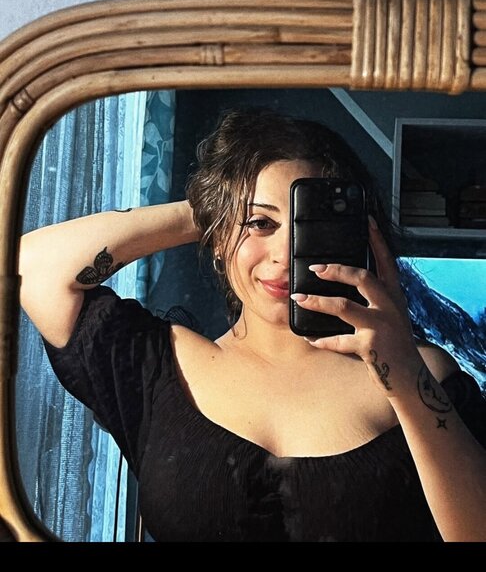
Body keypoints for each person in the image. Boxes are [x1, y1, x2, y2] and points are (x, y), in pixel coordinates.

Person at [18, 108, 486, 542]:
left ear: (356, 238)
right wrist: (213, 209)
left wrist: (402, 375)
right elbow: (31, 268)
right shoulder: (158, 367)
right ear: (219, 239)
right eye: (260, 224)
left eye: (310, 226)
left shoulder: (423, 376)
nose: (285, 253)